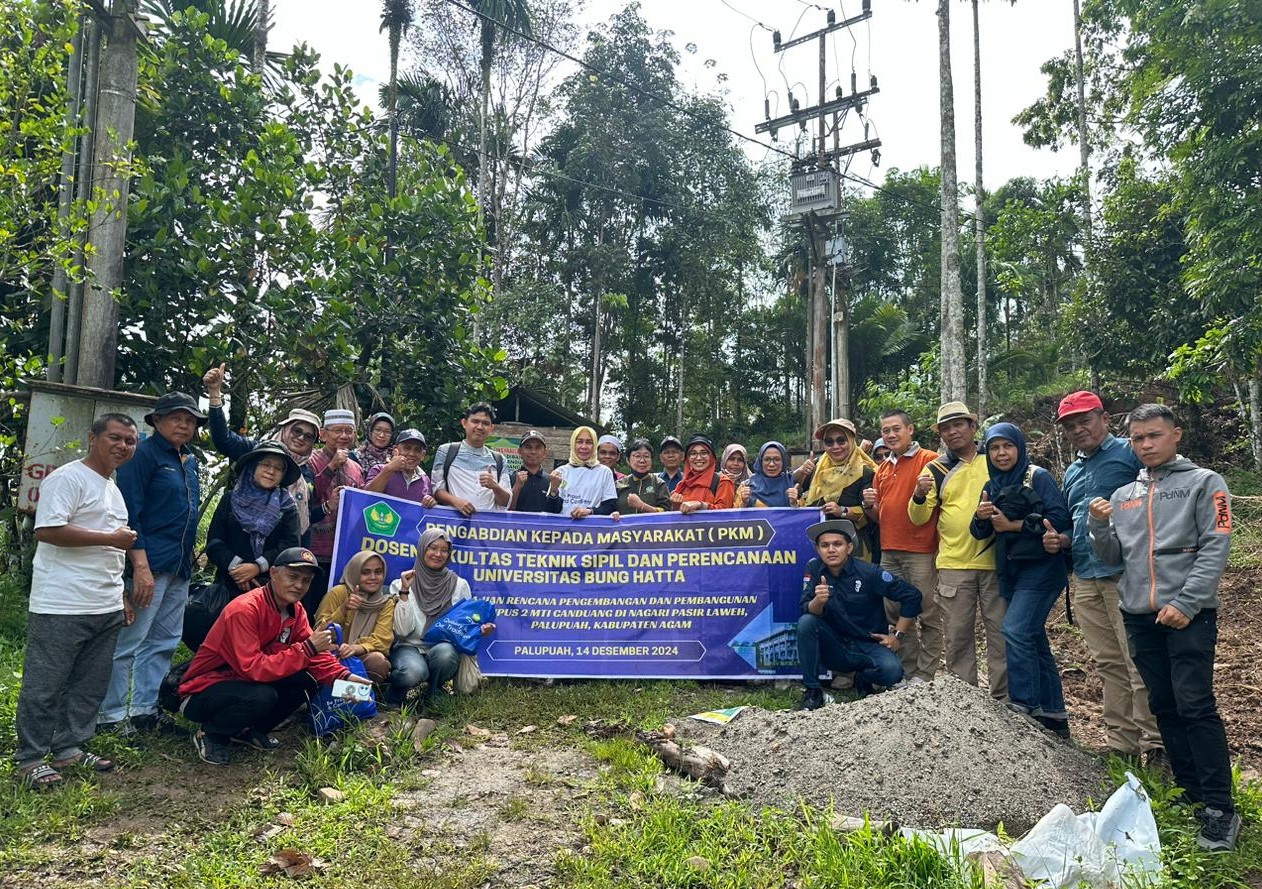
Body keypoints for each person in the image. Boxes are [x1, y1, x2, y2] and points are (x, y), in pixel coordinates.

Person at [1089, 404, 1240, 853]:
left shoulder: (1206, 484)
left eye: (1154, 435)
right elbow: (1113, 558)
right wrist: (1099, 527)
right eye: (1138, 439)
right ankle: (1190, 794)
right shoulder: (1123, 495)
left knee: (1195, 704)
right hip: (1139, 615)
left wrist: (1187, 602)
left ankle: (1219, 808)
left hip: (1189, 615)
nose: (1146, 445)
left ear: (1176, 434)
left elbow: (1216, 545)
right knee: (1164, 705)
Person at [15, 414, 139, 789]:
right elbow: (48, 530)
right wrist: (110, 539)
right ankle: (31, 757)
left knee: (89, 683)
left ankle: (69, 747)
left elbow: (113, 550)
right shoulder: (67, 478)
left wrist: (121, 595)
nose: (122, 446)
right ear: (92, 437)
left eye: (130, 441)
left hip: (103, 602)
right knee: (46, 682)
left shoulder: (111, 487)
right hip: (62, 602)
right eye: (114, 438)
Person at [1049, 391, 1163, 764]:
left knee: (1138, 661)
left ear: (1104, 417)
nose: (1078, 429)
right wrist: (1059, 539)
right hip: (1085, 576)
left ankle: (1155, 745)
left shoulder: (1130, 454)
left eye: (1085, 420)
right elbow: (1075, 522)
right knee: (1108, 663)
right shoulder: (1074, 471)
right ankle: (1122, 745)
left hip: (1126, 575)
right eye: (1070, 425)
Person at [178, 547, 370, 765]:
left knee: (305, 679)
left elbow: (315, 656)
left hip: (243, 683)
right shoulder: (245, 609)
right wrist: (307, 649)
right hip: (203, 690)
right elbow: (253, 668)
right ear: (274, 573)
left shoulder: (295, 610)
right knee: (262, 695)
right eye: (293, 577)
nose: (299, 585)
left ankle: (250, 730)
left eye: (306, 581)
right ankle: (212, 733)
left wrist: (346, 679)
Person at [100, 392, 204, 736]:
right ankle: (112, 715)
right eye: (177, 418)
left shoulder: (188, 461)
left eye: (190, 420)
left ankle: (145, 710)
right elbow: (131, 513)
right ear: (157, 421)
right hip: (149, 563)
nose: (184, 425)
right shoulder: (142, 455)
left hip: (179, 566)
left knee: (165, 640)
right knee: (131, 639)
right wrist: (140, 566)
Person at [971, 423, 1072, 739]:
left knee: (1014, 630)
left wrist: (1014, 525)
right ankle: (1054, 714)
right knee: (1033, 638)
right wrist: (980, 516)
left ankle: (1025, 706)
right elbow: (981, 533)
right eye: (994, 448)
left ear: (1019, 447)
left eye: (1007, 446)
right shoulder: (991, 483)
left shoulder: (1037, 477)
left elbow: (1059, 519)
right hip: (1011, 570)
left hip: (1042, 568)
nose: (1001, 454)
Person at [908, 402, 1007, 700]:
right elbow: (919, 517)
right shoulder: (936, 468)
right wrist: (918, 494)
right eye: (945, 428)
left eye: (958, 424)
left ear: (973, 427)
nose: (952, 432)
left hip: (996, 561)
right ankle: (965, 702)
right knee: (958, 637)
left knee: (1001, 636)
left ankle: (1005, 701)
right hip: (953, 563)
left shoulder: (995, 458)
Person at [796, 519, 922, 710]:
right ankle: (813, 692)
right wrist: (818, 601)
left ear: (849, 547)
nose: (831, 549)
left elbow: (912, 596)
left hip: (868, 644)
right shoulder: (814, 568)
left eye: (837, 544)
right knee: (806, 622)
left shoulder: (868, 572)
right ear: (818, 549)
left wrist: (897, 636)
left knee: (891, 672)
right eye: (825, 545)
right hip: (835, 647)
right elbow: (807, 609)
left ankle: (863, 678)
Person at [862, 410, 943, 682]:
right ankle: (908, 672)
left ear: (911, 430)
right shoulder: (882, 468)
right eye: (886, 431)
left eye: (896, 429)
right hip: (889, 550)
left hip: (921, 550)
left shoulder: (929, 460)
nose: (891, 435)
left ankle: (927, 674)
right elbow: (878, 516)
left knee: (927, 612)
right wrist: (868, 505)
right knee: (895, 612)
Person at [203, 363, 322, 544]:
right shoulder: (259, 451)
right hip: (243, 547)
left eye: (309, 436)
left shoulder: (306, 472)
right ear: (285, 429)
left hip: (284, 554)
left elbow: (305, 516)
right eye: (297, 431)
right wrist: (214, 394)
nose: (301, 438)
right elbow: (223, 440)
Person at [387, 529, 495, 707]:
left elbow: (464, 625)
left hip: (440, 647)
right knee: (413, 671)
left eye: (444, 550)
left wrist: (478, 631)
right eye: (433, 548)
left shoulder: (459, 585)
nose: (438, 554)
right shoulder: (400, 584)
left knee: (446, 654)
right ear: (422, 549)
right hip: (408, 646)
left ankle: (434, 690)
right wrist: (405, 592)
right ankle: (395, 695)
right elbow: (402, 631)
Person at [205, 442, 302, 598]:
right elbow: (214, 542)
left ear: (283, 475)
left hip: (269, 590)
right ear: (253, 467)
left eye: (278, 468)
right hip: (227, 585)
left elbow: (290, 545)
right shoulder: (230, 499)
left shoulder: (288, 507)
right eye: (266, 464)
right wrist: (238, 569)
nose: (271, 471)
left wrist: (257, 567)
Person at [306, 409, 365, 615]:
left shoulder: (356, 468)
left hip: (342, 554)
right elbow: (307, 499)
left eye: (348, 431)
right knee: (308, 606)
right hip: (314, 550)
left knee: (335, 609)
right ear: (323, 434)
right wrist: (331, 466)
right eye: (337, 430)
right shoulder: (310, 461)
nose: (343, 436)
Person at [794, 418, 877, 559]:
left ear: (851, 441)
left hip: (854, 548)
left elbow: (870, 514)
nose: (835, 446)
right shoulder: (818, 467)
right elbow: (794, 487)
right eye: (829, 442)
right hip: (820, 546)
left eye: (841, 440)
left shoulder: (864, 472)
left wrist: (843, 511)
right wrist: (801, 472)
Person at [314, 550, 395, 683]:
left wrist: (354, 648)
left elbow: (382, 640)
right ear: (355, 573)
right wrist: (344, 609)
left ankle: (364, 698)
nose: (373, 577)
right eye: (365, 572)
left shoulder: (386, 603)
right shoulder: (338, 593)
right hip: (332, 655)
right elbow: (318, 631)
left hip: (360, 657)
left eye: (378, 572)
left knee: (378, 662)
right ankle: (324, 698)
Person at [432, 402, 512, 515]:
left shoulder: (499, 459)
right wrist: (456, 502)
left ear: (491, 428)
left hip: (487, 529)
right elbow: (436, 489)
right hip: (454, 527)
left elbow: (505, 501)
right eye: (475, 421)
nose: (480, 427)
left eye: (485, 423)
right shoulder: (446, 451)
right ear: (464, 423)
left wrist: (495, 487)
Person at [547, 426, 618, 518]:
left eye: (589, 442)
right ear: (573, 444)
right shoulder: (560, 472)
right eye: (579, 442)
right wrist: (554, 490)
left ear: (595, 446)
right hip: (564, 531)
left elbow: (610, 506)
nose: (584, 446)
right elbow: (552, 510)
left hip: (592, 530)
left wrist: (589, 511)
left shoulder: (604, 472)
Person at [364, 428, 437, 506]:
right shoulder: (379, 469)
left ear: (422, 455)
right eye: (407, 448)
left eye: (417, 450)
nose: (412, 454)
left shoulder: (425, 480)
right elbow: (365, 497)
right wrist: (389, 469)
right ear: (395, 451)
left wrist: (430, 502)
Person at [670, 434, 736, 513]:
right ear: (687, 458)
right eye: (693, 453)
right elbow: (675, 517)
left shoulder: (723, 482)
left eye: (704, 453)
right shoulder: (682, 485)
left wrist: (701, 505)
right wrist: (676, 506)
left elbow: (726, 514)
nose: (698, 458)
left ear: (711, 456)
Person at [614, 438, 671, 515]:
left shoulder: (659, 484)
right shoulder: (618, 485)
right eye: (637, 456)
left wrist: (642, 506)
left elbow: (668, 513)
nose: (642, 460)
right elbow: (609, 510)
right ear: (628, 460)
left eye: (646, 456)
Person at [736, 441, 796, 508]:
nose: (771, 464)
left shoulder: (791, 484)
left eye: (777, 459)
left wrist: (793, 503)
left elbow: (803, 516)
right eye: (767, 459)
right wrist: (744, 503)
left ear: (783, 462)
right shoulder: (746, 486)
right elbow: (734, 516)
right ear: (760, 461)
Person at [510, 430, 553, 512]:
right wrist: (517, 486)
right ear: (519, 451)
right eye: (528, 447)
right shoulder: (510, 478)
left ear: (545, 453)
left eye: (538, 447)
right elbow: (505, 509)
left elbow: (555, 512)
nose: (533, 452)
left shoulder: (551, 481)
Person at [353, 412, 396, 477]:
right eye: (378, 430)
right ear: (370, 432)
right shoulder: (356, 456)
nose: (382, 435)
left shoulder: (396, 457)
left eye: (387, 432)